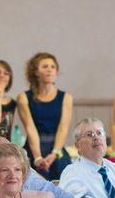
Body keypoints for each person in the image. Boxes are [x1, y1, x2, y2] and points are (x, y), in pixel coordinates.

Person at [16, 52, 73, 180]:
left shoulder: (66, 97)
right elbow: (30, 128)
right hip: (33, 147)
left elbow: (63, 128)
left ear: (56, 72)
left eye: (53, 67)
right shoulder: (24, 98)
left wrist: (54, 153)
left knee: (64, 182)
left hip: (57, 148)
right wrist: (37, 158)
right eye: (45, 66)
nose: (49, 70)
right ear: (36, 72)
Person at [59, 118, 115, 198]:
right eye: (89, 135)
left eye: (99, 133)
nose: (96, 137)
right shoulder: (72, 172)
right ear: (77, 145)